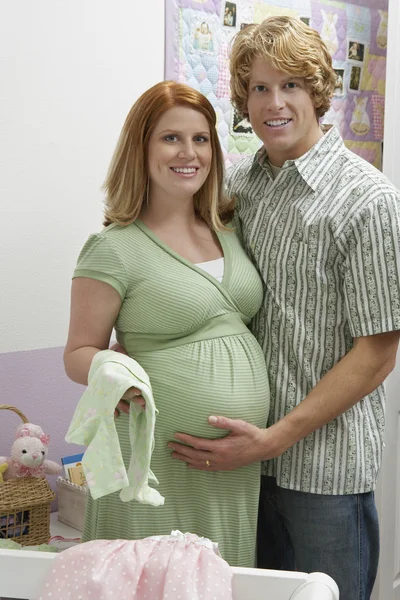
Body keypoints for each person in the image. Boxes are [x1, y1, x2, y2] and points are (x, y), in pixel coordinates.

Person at [167, 16, 400, 600]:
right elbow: (197, 281)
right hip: (240, 466)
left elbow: (376, 353)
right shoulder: (241, 186)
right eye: (260, 88)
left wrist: (275, 438)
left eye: (292, 85)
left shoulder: (368, 201)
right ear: (244, 98)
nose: (275, 103)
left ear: (318, 91)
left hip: (323, 472)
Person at [63, 80, 270, 568]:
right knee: (151, 579)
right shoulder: (113, 248)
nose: (189, 153)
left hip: (233, 465)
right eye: (171, 138)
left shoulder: (229, 229)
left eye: (200, 139)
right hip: (155, 456)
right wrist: (117, 372)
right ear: (142, 147)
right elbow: (77, 353)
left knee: (221, 578)